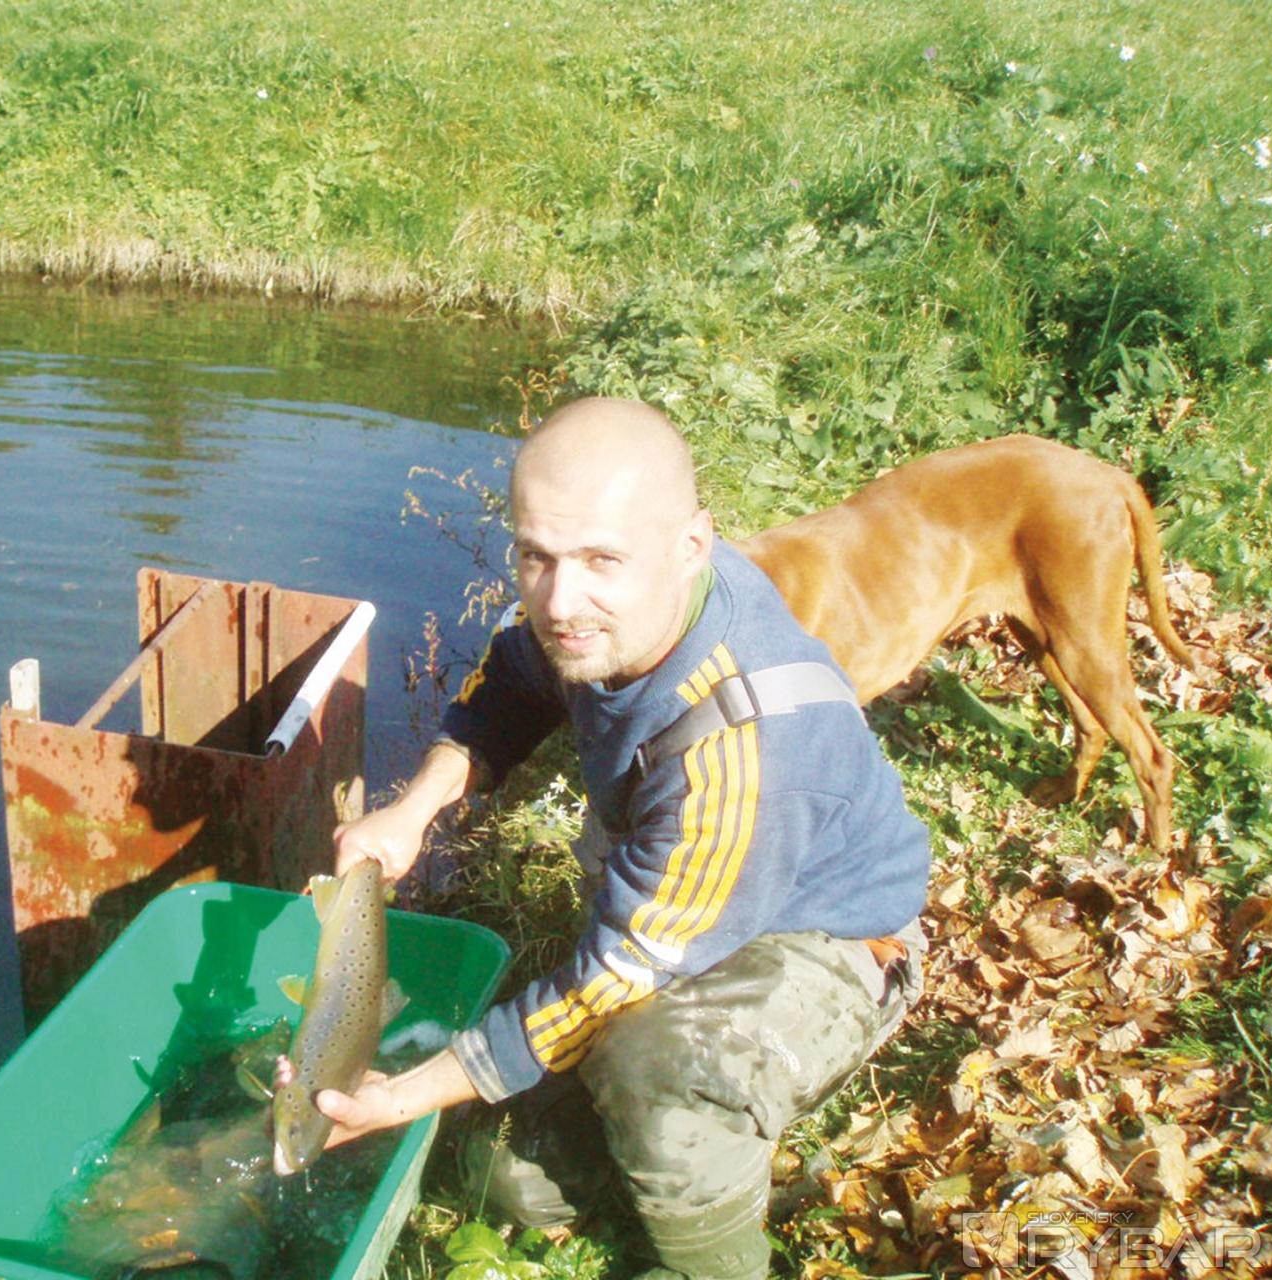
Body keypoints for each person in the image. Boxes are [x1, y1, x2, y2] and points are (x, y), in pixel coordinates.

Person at [317, 396, 931, 1279]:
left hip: (820, 937)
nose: (561, 601)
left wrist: (402, 1096)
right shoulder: (618, 608)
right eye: (536, 557)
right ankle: (669, 1151)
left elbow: (611, 979)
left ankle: (714, 1262)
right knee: (504, 1176)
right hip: (684, 904)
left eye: (602, 559)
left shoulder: (742, 748)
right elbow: (511, 683)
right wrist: (412, 810)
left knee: (654, 1068)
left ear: (692, 546)